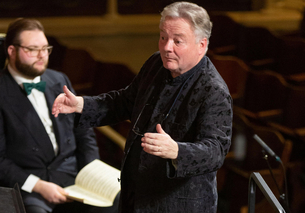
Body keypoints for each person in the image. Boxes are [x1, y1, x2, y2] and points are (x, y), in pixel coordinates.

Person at [52, 2, 232, 213]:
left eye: (177, 41)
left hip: (176, 204)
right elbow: (125, 101)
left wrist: (176, 150)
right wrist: (82, 104)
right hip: (135, 192)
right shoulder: (156, 63)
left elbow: (216, 151)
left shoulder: (214, 90)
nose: (166, 47)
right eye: (163, 37)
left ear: (202, 45)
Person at [0, 18, 119, 213]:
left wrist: (92, 173)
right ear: (11, 51)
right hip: (31, 186)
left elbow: (83, 133)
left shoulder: (59, 79)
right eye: (32, 49)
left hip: (73, 178)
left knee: (121, 198)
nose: (41, 56)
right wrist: (38, 185)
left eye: (45, 48)